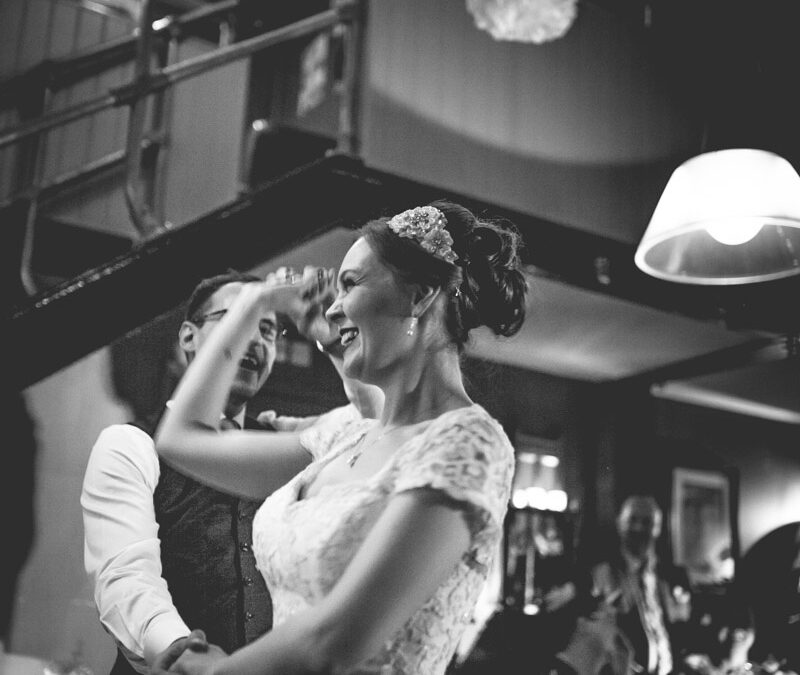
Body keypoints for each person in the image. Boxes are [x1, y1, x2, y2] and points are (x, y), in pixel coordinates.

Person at [150, 200, 528, 674]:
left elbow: (333, 642)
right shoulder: (343, 438)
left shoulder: (468, 443)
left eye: (350, 284)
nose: (331, 306)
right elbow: (182, 440)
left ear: (418, 297)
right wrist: (254, 303)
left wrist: (214, 673)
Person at [82, 270, 291, 674]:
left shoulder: (284, 448)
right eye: (238, 320)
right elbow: (126, 578)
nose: (254, 339)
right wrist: (185, 654)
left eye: (267, 330)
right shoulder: (130, 444)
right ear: (189, 337)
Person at [589, 495, 692, 675]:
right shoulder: (601, 573)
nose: (639, 528)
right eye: (632, 520)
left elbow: (687, 626)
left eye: (647, 522)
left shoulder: (673, 575)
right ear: (620, 523)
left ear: (657, 528)